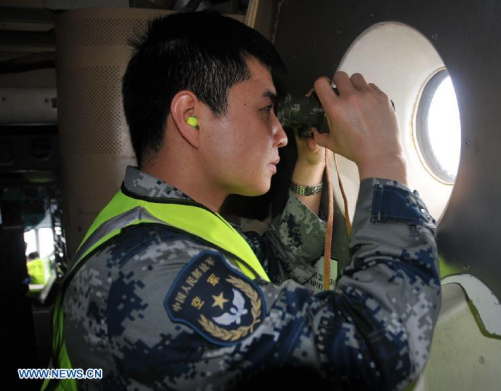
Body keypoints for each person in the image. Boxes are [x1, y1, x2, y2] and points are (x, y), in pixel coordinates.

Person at [47, 11, 440, 391]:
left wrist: (309, 163)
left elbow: (270, 263)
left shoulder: (156, 228)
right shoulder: (148, 276)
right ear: (191, 117)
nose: (280, 134)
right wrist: (384, 159)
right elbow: (380, 346)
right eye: (265, 109)